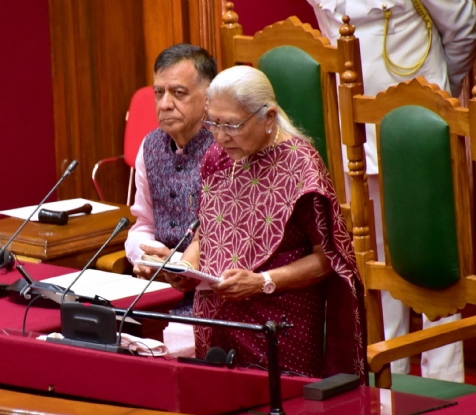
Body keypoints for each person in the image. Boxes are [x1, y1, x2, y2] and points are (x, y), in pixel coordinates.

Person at [307, 0, 476, 381]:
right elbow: (329, 25)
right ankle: (389, 377)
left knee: (435, 258)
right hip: (353, 118)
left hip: (421, 116)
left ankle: (443, 384)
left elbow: (463, 26)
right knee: (377, 258)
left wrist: (440, 93)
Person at [164, 65, 366, 380]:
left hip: (280, 326)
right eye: (212, 123)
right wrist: (186, 269)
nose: (219, 136)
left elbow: (327, 258)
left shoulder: (300, 165)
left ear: (268, 117)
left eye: (231, 125)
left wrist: (263, 282)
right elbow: (206, 234)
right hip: (217, 321)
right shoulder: (217, 158)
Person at [124, 44, 217, 316]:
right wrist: (144, 256)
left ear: (208, 98)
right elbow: (143, 223)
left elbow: (235, 245)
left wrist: (176, 264)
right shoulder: (150, 146)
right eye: (158, 93)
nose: (164, 104)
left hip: (211, 296)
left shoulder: (227, 150)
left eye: (178, 93)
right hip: (157, 291)